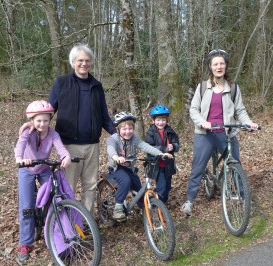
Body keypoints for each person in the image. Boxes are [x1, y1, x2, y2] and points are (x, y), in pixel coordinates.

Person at [20, 44, 116, 214]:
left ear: (91, 63)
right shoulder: (61, 83)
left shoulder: (97, 86)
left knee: (90, 186)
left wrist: (118, 135)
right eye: (80, 60)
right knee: (68, 187)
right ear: (73, 62)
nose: (84, 63)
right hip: (69, 146)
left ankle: (86, 223)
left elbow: (104, 116)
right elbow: (49, 110)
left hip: (93, 145)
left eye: (87, 60)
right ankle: (69, 224)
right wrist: (32, 124)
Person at [182, 49, 259, 216]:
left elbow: (240, 110)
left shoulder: (233, 88)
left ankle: (242, 197)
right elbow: (193, 109)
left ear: (226, 66)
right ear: (210, 67)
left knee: (235, 163)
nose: (219, 67)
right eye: (215, 64)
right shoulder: (202, 87)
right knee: (198, 167)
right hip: (205, 133)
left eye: (222, 63)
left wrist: (248, 123)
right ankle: (190, 200)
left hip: (227, 132)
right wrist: (202, 122)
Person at [15, 100, 71, 263]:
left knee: (54, 199)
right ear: (32, 121)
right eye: (38, 120)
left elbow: (60, 147)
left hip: (44, 168)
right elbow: (21, 145)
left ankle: (54, 233)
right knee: (26, 207)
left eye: (45, 120)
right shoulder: (28, 131)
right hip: (27, 169)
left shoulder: (53, 133)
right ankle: (25, 243)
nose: (42, 124)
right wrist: (19, 158)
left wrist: (65, 156)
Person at [107, 111, 173, 220]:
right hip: (116, 168)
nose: (128, 132)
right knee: (126, 181)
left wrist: (161, 154)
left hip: (129, 168)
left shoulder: (134, 139)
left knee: (138, 187)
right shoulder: (113, 139)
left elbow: (146, 146)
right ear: (118, 129)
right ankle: (118, 207)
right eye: (124, 129)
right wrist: (116, 157)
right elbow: (110, 149)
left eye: (130, 128)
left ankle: (144, 209)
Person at [145, 105, 180, 204]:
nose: (161, 122)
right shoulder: (150, 132)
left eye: (163, 120)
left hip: (168, 164)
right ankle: (157, 206)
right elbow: (149, 148)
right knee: (162, 186)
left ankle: (163, 204)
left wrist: (174, 146)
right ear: (153, 120)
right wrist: (164, 149)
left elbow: (177, 144)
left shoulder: (170, 131)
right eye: (158, 120)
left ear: (167, 120)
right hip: (156, 164)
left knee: (168, 186)